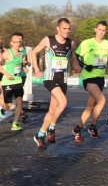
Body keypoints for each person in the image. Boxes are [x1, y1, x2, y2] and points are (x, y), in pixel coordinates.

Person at [32, 18, 81, 148]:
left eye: (69, 28)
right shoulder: (48, 40)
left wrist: (76, 66)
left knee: (53, 110)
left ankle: (40, 135)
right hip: (50, 78)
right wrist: (37, 69)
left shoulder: (71, 43)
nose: (67, 31)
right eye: (64, 28)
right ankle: (52, 128)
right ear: (58, 28)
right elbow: (33, 52)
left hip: (63, 80)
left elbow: (74, 59)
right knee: (63, 103)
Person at [72, 21, 108, 142]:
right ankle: (93, 126)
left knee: (90, 107)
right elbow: (75, 55)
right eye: (100, 30)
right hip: (89, 78)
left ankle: (78, 128)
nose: (101, 32)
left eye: (104, 30)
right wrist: (84, 66)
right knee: (102, 100)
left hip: (100, 77)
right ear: (95, 29)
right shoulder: (87, 43)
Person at [0, 34, 26, 130]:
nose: (18, 44)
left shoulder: (21, 54)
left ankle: (15, 123)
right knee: (8, 106)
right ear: (11, 43)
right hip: (7, 82)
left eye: (19, 42)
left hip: (18, 81)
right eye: (15, 42)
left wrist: (24, 68)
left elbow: (19, 65)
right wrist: (6, 74)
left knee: (20, 101)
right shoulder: (7, 53)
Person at [12, 32, 31, 121]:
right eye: (16, 40)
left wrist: (25, 63)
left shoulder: (26, 50)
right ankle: (12, 109)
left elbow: (29, 63)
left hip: (21, 75)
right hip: (11, 75)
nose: (18, 42)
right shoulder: (10, 51)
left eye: (20, 40)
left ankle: (20, 111)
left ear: (22, 40)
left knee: (18, 95)